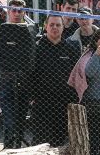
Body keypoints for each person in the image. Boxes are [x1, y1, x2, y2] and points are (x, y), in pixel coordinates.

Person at [0, 0, 35, 148]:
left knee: (21, 120)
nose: (16, 13)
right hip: (6, 82)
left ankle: (18, 148)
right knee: (9, 120)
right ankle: (8, 147)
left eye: (20, 11)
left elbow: (33, 60)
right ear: (8, 11)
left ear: (24, 12)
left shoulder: (30, 31)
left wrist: (34, 88)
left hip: (25, 82)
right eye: (13, 10)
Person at [27, 16, 79, 146]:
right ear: (46, 26)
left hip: (64, 103)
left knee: (60, 142)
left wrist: (73, 98)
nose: (55, 27)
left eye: (58, 25)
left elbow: (76, 76)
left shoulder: (71, 49)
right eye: (51, 25)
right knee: (41, 142)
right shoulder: (36, 48)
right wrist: (32, 97)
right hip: (42, 104)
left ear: (63, 27)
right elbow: (28, 75)